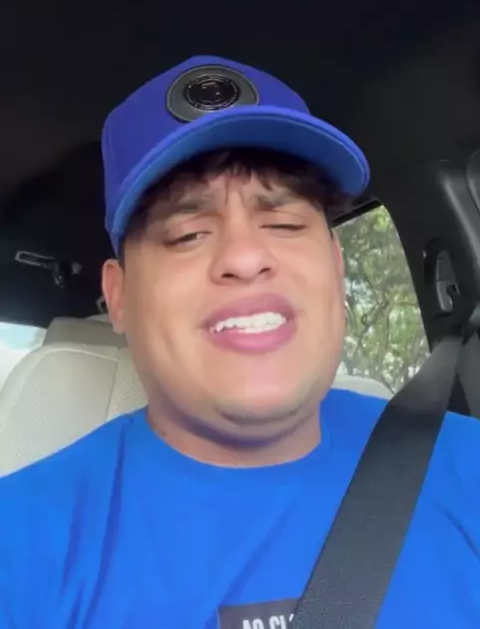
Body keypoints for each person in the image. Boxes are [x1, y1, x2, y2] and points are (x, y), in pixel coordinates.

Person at [0, 55, 479, 629]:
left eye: (284, 224)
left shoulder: (465, 469)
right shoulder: (21, 544)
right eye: (187, 233)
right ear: (118, 295)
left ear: (335, 264)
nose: (247, 257)